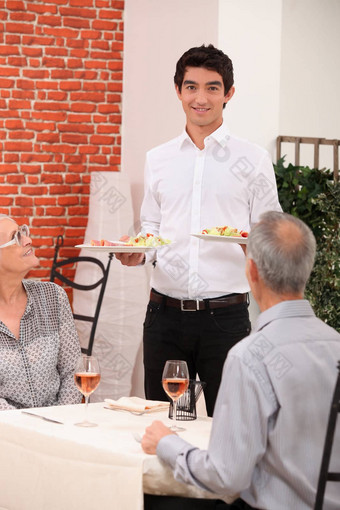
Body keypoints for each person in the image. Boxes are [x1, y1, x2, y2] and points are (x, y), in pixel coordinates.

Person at [116, 44, 281, 416]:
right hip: (164, 315)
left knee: (232, 425)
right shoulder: (158, 159)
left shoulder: (251, 159)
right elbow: (153, 229)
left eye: (212, 87)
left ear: (229, 94)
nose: (200, 98)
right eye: (191, 87)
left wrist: (253, 246)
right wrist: (137, 252)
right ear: (178, 91)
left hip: (225, 318)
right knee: (163, 427)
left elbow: (272, 233)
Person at [141, 211, 340, 510]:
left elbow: (225, 477)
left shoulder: (250, 356)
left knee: (149, 497)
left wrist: (167, 444)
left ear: (252, 272)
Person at [0, 215, 82, 410]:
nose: (28, 240)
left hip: (58, 426)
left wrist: (60, 422)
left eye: (23, 232)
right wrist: (31, 432)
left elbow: (73, 370)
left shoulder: (52, 297)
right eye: (16, 236)